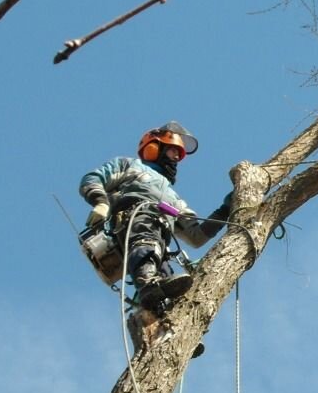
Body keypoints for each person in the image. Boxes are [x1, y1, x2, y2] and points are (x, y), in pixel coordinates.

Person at [79, 121, 231, 311]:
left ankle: (169, 326)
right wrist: (101, 202)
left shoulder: (173, 197)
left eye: (179, 154)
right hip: (135, 221)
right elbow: (92, 179)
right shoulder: (129, 165)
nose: (176, 158)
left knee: (167, 282)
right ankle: (147, 284)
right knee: (147, 247)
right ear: (153, 148)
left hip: (161, 242)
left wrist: (226, 209)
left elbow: (196, 235)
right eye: (173, 150)